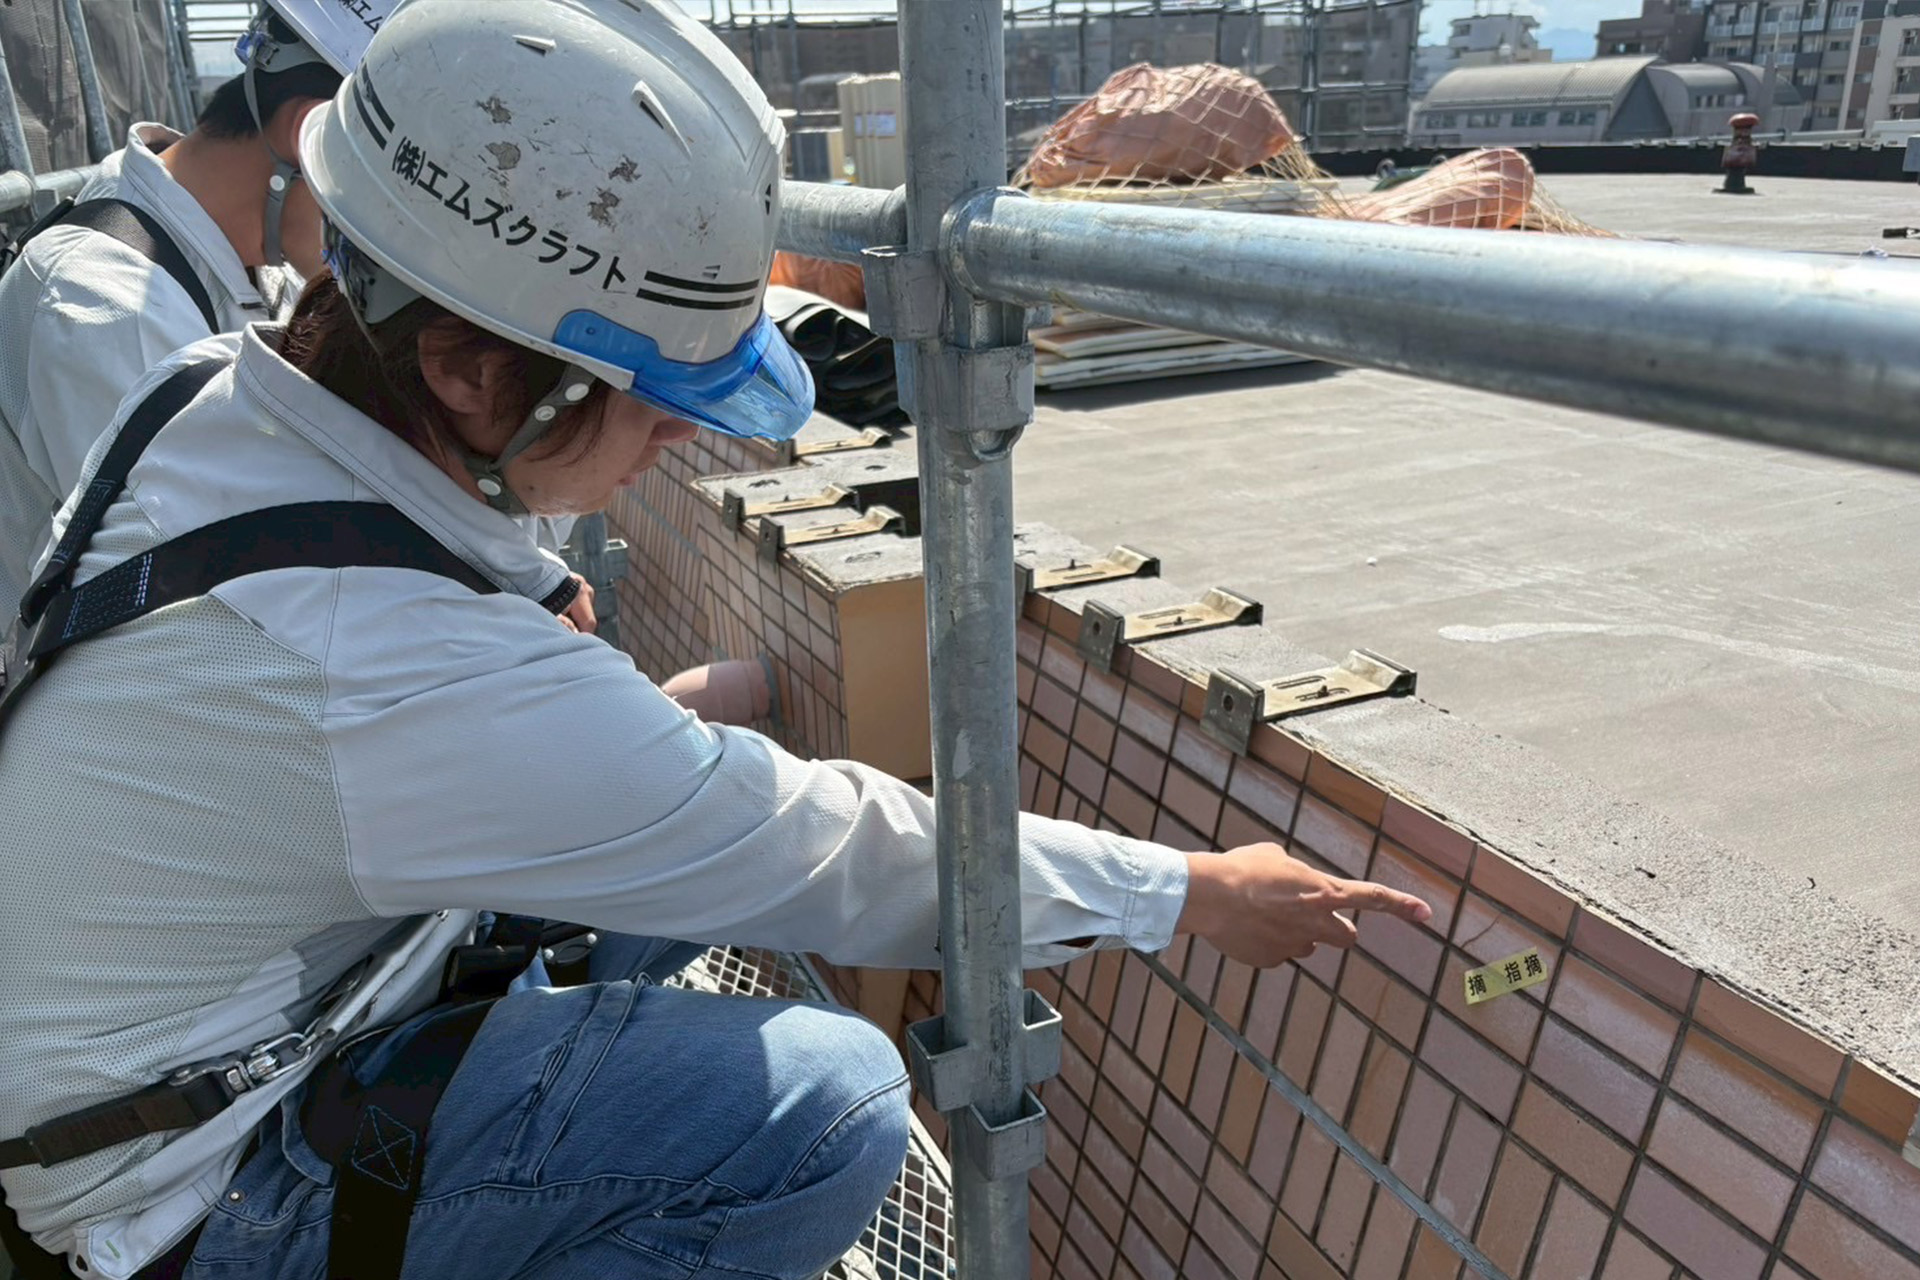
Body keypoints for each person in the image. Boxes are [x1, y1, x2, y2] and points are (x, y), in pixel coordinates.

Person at [0, 4, 1431, 1279]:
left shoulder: (222, 394)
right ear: (463, 366)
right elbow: (837, 854)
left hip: (155, 1046)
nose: (683, 433)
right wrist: (1182, 892)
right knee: (827, 1109)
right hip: (179, 1191)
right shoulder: (379, 660)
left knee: (675, 830)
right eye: (654, 391)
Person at [0, 1, 391, 616]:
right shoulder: (108, 309)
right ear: (308, 133)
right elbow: (211, 595)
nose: (392, 244)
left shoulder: (240, 256)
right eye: (390, 198)